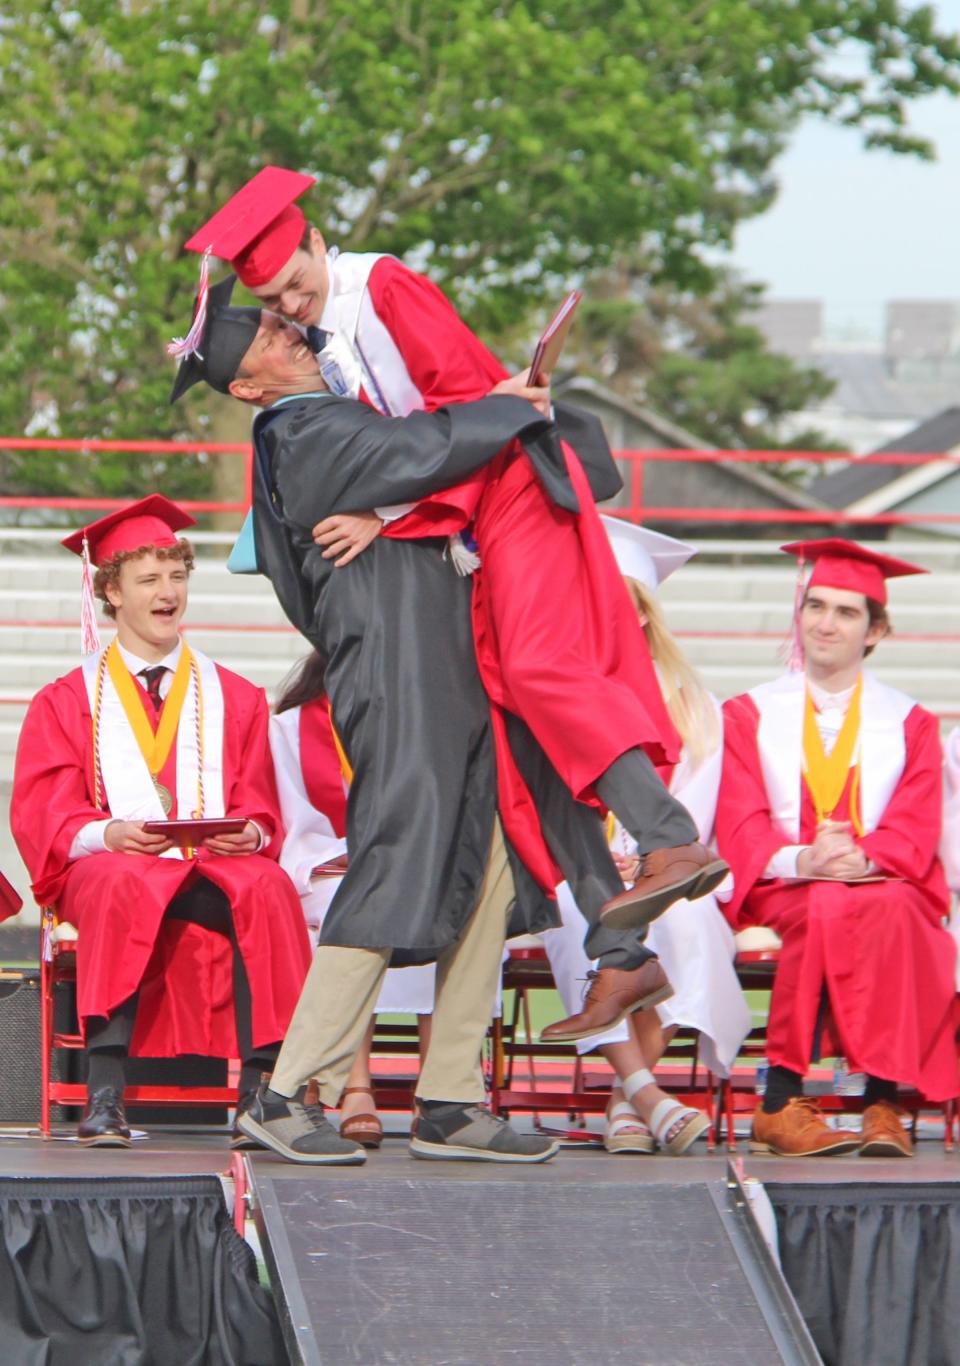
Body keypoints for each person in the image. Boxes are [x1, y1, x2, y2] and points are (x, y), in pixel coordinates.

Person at [182, 170, 727, 993]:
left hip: (512, 492)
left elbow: (467, 411)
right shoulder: (322, 347)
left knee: (543, 670)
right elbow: (405, 451)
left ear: (320, 244)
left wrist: (394, 509)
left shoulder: (385, 286)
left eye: (296, 282)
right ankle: (621, 953)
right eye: (274, 300)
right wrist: (386, 512)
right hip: (464, 521)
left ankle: (670, 835)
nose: (292, 306)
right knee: (518, 730)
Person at [171, 282, 565, 1165]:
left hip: (440, 661)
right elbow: (415, 447)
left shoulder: (324, 417)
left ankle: (451, 1097)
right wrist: (502, 409)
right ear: (245, 387)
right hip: (395, 669)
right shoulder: (295, 431)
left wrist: (396, 506)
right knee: (397, 851)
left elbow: (412, 464)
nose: (288, 326)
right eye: (268, 333)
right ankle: (284, 1090)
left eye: (280, 317)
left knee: (490, 856)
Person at [8, 496, 312, 1146]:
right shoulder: (66, 700)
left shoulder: (233, 695)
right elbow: (44, 810)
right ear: (112, 592)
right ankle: (106, 1094)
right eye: (148, 579)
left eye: (176, 575)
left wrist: (250, 834)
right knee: (124, 881)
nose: (167, 591)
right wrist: (106, 834)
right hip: (106, 871)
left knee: (266, 886)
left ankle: (262, 1095)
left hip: (208, 867)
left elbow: (261, 803)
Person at [716, 538, 958, 1159]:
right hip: (779, 884)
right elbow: (740, 819)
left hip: (877, 879)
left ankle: (881, 1101)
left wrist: (863, 858)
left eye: (846, 613)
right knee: (825, 904)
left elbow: (915, 821)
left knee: (899, 912)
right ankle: (786, 1099)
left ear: (875, 631)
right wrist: (805, 861)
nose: (825, 623)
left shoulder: (910, 722)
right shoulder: (747, 713)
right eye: (815, 606)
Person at [533, 520, 751, 1153]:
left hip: (669, 876)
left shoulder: (693, 705)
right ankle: (649, 1097)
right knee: (590, 914)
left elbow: (696, 817)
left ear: (644, 618)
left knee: (684, 923)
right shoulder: (556, 696)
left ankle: (623, 1102)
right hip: (578, 873)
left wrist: (644, 862)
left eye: (616, 607)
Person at [269, 650, 436, 1147]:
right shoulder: (291, 728)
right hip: (329, 869)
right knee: (353, 901)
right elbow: (293, 821)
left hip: (411, 866)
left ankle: (438, 1090)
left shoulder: (424, 715)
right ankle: (357, 1089)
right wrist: (345, 857)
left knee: (439, 904)